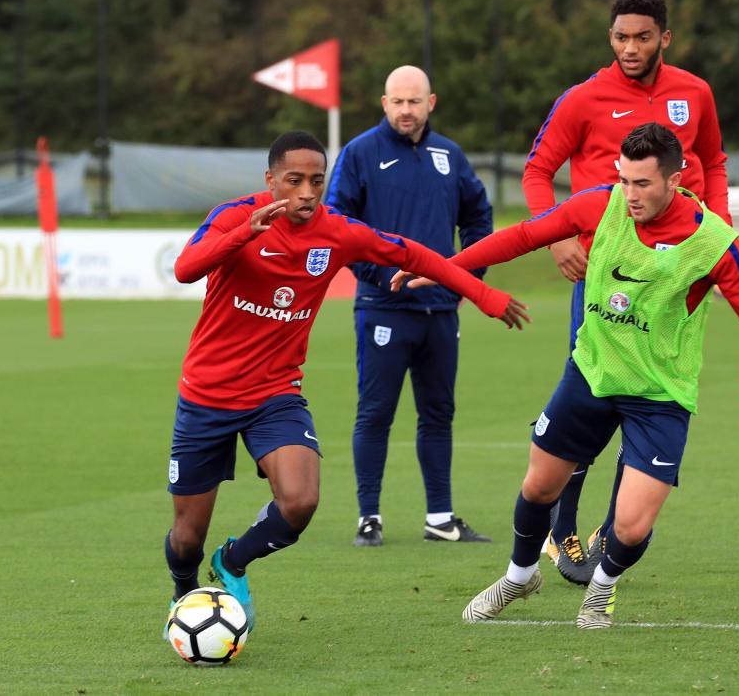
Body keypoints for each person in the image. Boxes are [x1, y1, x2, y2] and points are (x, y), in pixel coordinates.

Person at [392, 123, 739, 629]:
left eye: (642, 184)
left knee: (631, 524)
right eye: (624, 180)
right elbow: (523, 236)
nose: (630, 194)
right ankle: (520, 575)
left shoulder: (713, 242)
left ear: (674, 177)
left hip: (659, 395)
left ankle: (601, 588)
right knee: (538, 488)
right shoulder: (601, 204)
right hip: (591, 374)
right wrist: (447, 269)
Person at [163, 130, 528, 636]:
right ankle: (184, 598)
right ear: (270, 180)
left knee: (300, 501)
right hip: (206, 396)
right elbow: (185, 270)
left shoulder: (337, 232)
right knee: (185, 538)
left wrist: (483, 296)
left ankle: (232, 561)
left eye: (317, 181)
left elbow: (417, 255)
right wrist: (245, 232)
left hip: (275, 394)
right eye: (294, 181)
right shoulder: (233, 217)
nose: (307, 193)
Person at [521, 0, 732, 585]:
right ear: (610, 38)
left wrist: (718, 234)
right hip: (605, 276)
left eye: (642, 37)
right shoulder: (583, 99)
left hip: (673, 282)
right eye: (620, 37)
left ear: (665, 37)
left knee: (654, 393)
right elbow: (537, 171)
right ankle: (562, 529)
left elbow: (712, 164)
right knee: (592, 392)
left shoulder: (695, 93)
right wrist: (555, 237)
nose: (631, 48)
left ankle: (614, 527)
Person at [325, 65, 496, 547]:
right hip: (383, 308)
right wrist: (382, 278)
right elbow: (340, 227)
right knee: (375, 413)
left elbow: (478, 216)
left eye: (414, 101)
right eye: (397, 101)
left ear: (431, 103)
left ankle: (439, 519)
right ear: (384, 104)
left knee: (439, 413)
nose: (406, 110)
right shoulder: (360, 153)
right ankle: (369, 517)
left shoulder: (449, 154)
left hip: (441, 311)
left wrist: (468, 275)